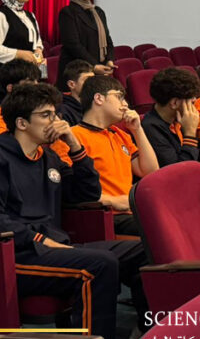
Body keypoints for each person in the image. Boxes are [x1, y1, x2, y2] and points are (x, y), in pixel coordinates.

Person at [0, 82, 145, 339]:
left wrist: (74, 145)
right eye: (46, 115)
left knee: (142, 250)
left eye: (56, 114)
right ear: (22, 123)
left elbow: (86, 194)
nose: (56, 122)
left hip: (54, 245)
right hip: (17, 254)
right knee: (100, 265)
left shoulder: (47, 155)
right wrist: (39, 240)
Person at [52, 75, 157, 236]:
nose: (125, 104)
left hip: (131, 212)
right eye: (119, 97)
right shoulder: (71, 138)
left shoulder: (120, 135)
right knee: (162, 225)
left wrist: (137, 130)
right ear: (99, 98)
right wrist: (114, 201)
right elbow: (72, 190)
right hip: (105, 215)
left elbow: (150, 172)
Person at [142, 67, 200, 169]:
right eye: (191, 101)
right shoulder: (150, 129)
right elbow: (180, 169)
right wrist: (190, 133)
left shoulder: (176, 118)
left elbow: (198, 149)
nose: (194, 103)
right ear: (175, 103)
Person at [56, 0, 115, 92]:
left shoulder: (98, 12)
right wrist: (94, 65)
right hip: (77, 73)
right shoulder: (68, 13)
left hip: (97, 70)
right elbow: (73, 45)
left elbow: (107, 38)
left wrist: (109, 60)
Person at [0, 60, 41, 140]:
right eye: (30, 82)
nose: (37, 87)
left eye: (37, 81)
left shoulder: (42, 110)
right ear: (11, 88)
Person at [57, 60, 94, 126]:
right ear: (71, 84)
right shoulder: (63, 111)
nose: (93, 83)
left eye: (93, 79)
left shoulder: (96, 104)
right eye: (87, 80)